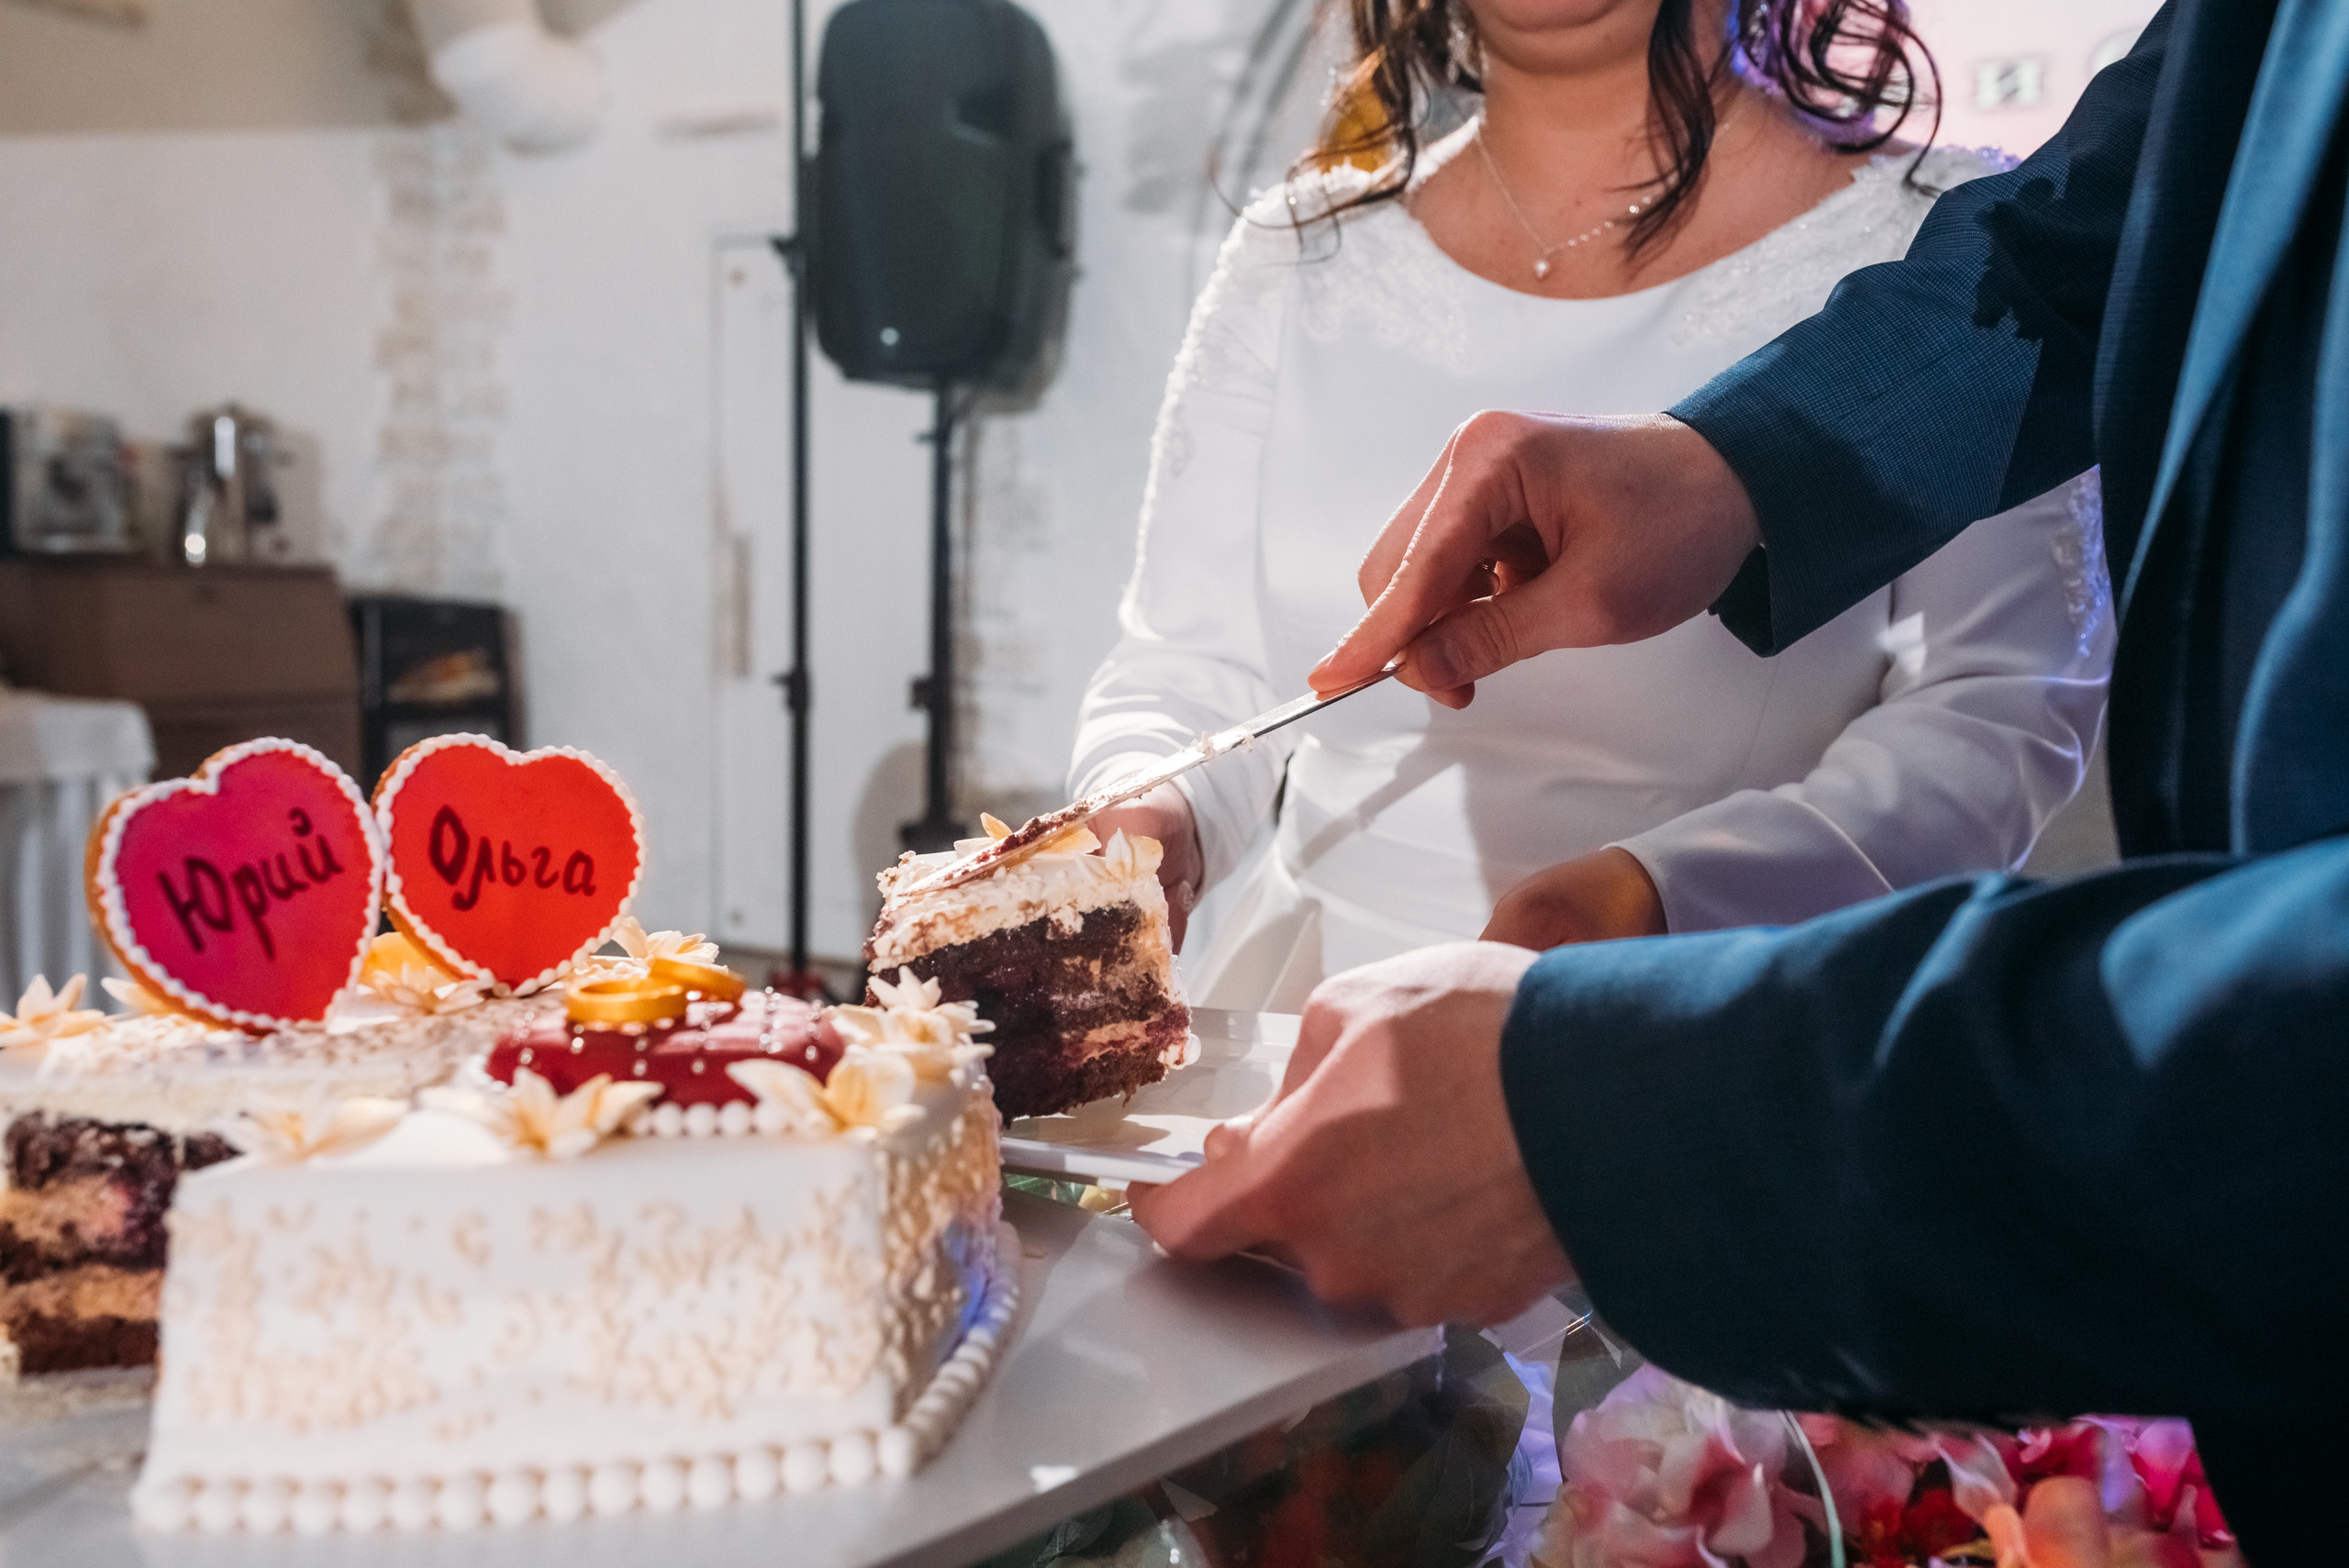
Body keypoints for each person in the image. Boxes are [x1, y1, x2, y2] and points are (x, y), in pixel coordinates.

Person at [1129, 2, 2348, 1560]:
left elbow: (2001, 714)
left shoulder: (1898, 211)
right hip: (1327, 1103)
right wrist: (1726, 463)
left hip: (1740, 1132)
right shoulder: (1301, 252)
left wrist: (1634, 996)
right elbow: (2082, 245)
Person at [1074, 0, 2110, 1006]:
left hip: (1710, 1017)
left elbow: (1997, 707)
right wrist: (1153, 807)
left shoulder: (1960, 253)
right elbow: (1188, 663)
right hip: (1302, 1005)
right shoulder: (1297, 250)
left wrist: (1662, 894)